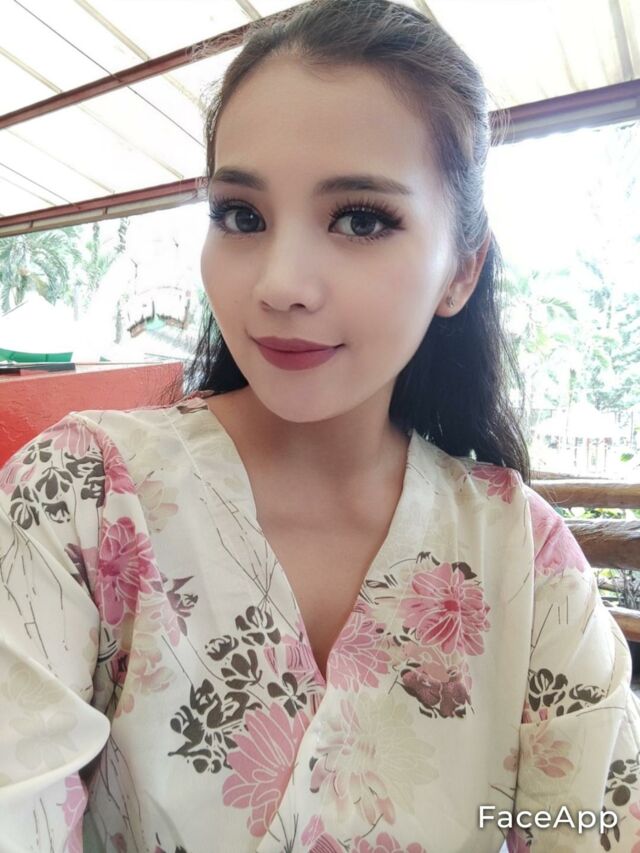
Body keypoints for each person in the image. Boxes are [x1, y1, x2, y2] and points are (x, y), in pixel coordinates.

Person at [1, 1, 639, 850]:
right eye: (242, 214)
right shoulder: (76, 500)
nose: (280, 283)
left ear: (462, 269)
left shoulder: (529, 564)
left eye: (361, 218)